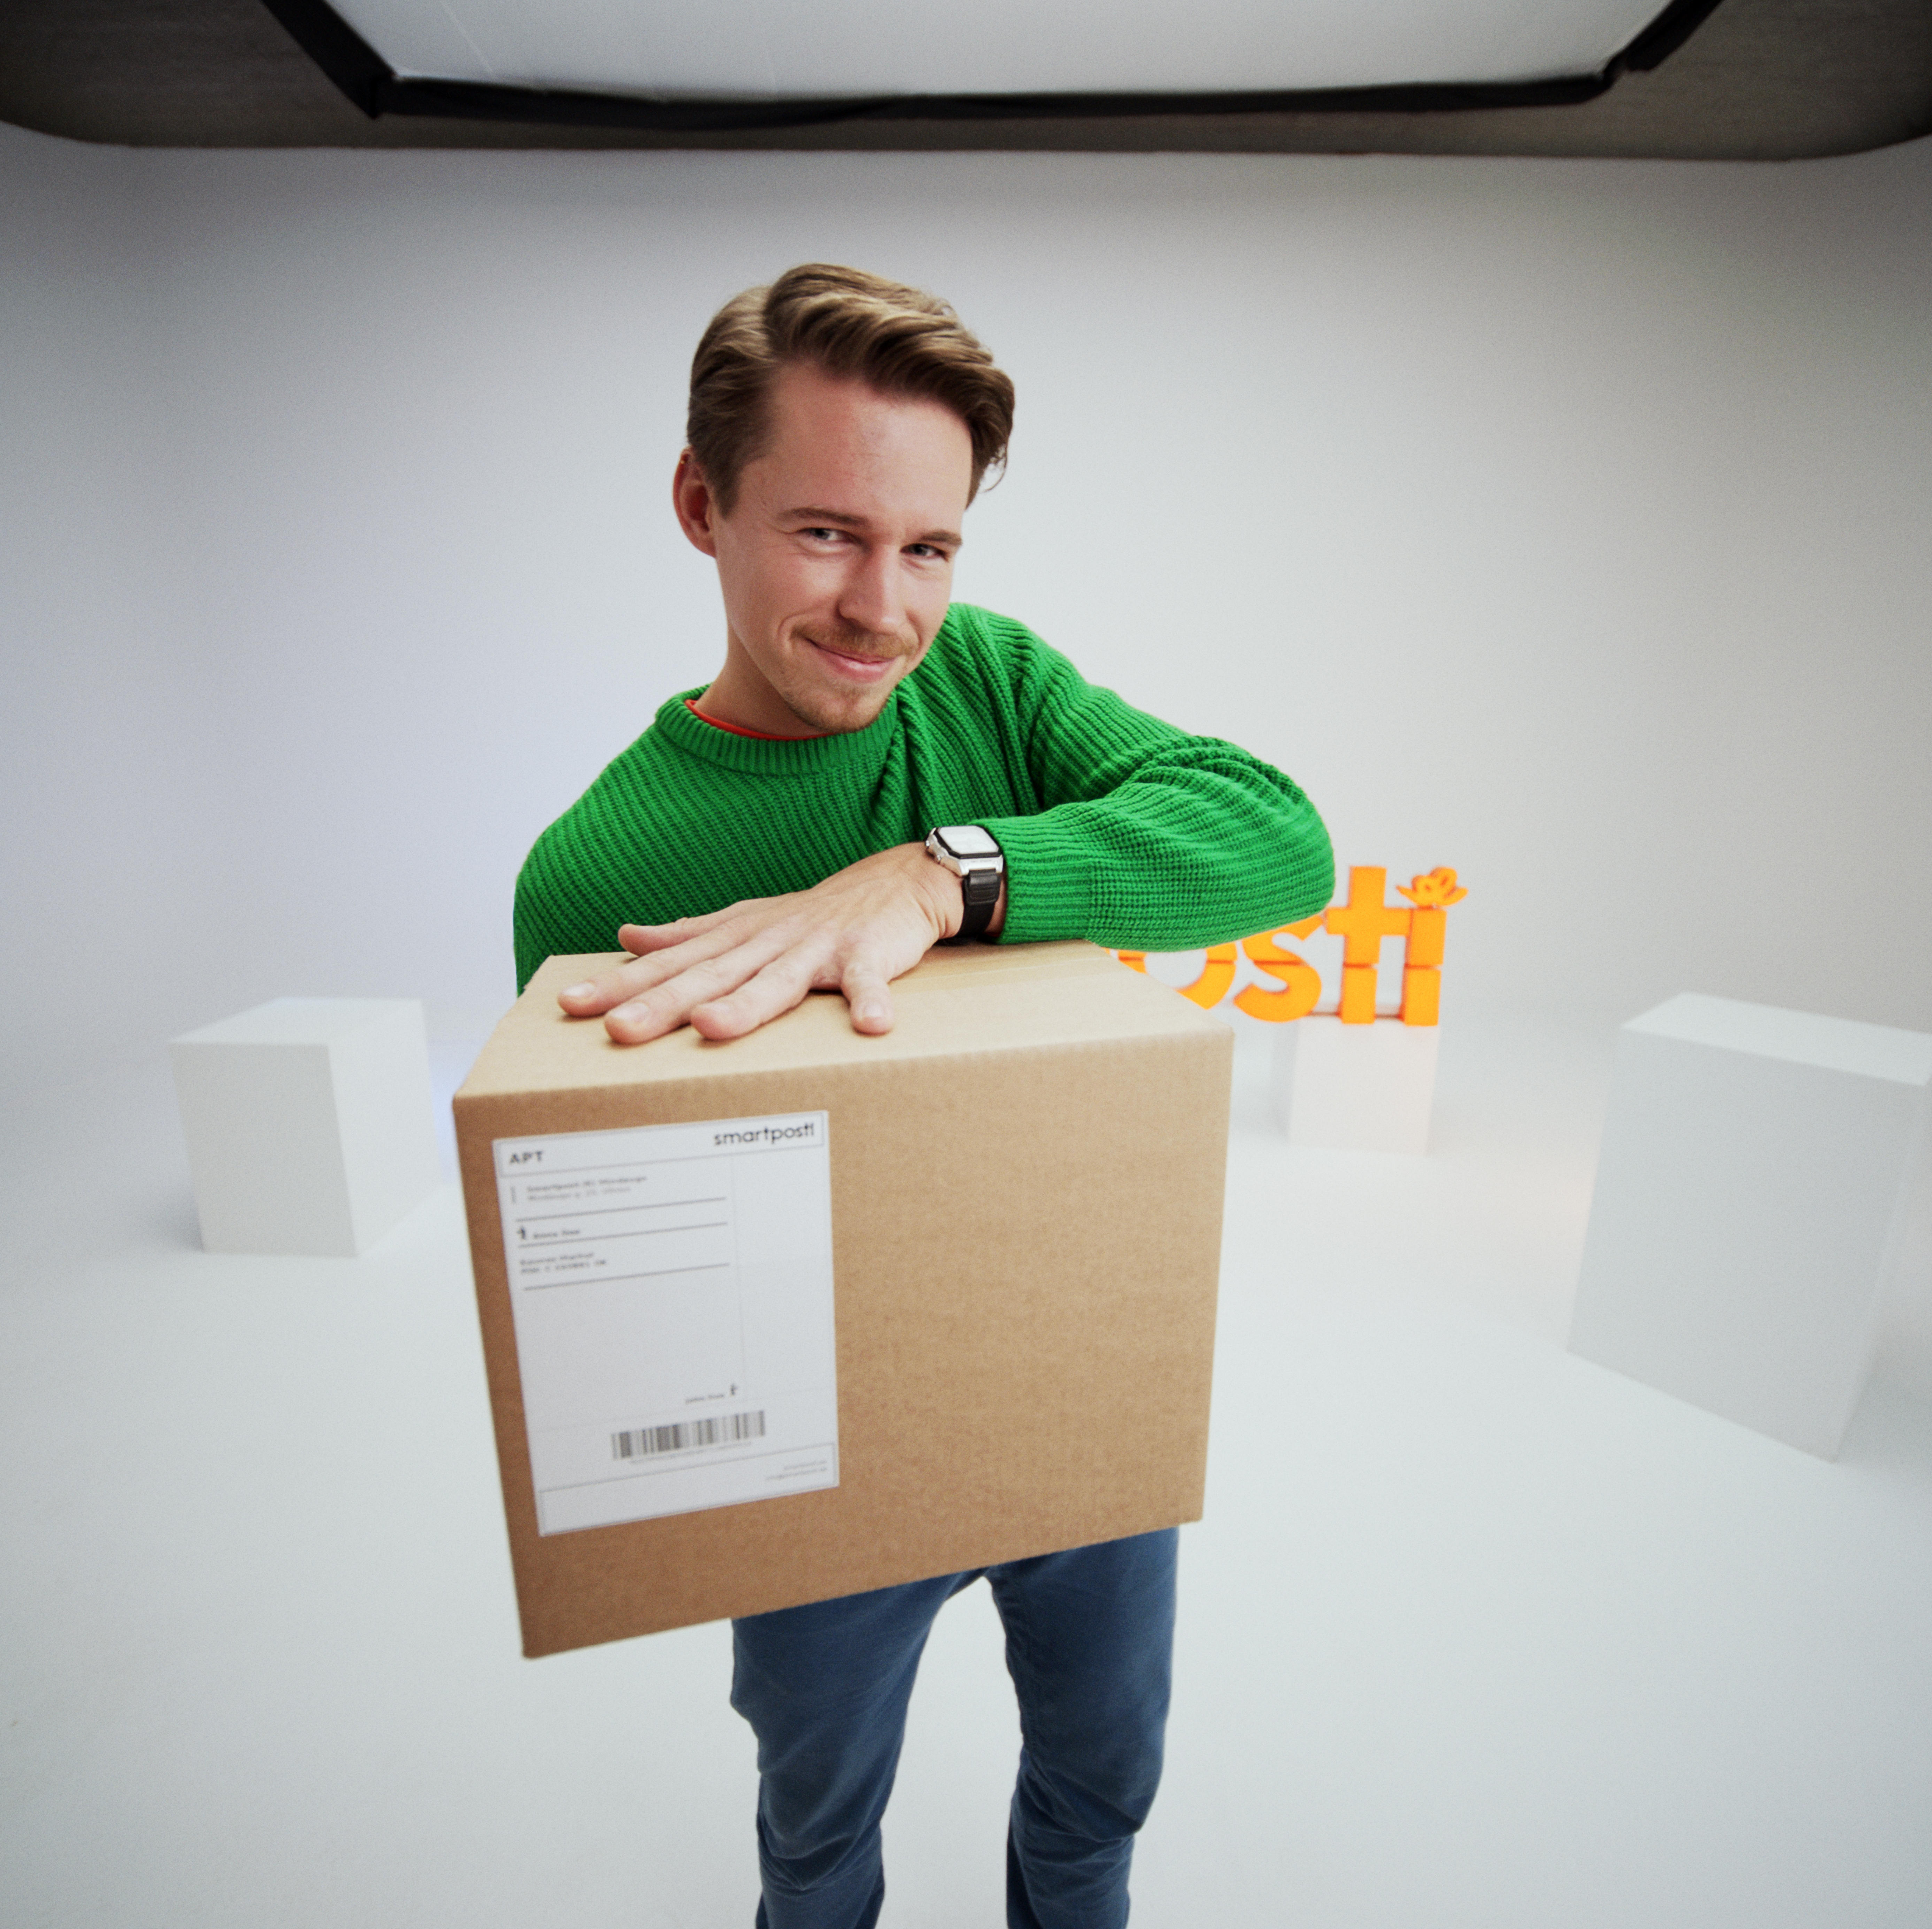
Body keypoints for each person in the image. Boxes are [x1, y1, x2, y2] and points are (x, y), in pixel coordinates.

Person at [512, 263, 1335, 1929]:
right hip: (811, 1471)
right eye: (825, 532)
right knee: (817, 1836)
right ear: (702, 506)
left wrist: (939, 873)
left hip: (1077, 1385)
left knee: (1100, 1792)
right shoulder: (593, 875)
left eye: (931, 547)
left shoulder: (989, 687)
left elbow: (1279, 838)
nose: (883, 608)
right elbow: (600, 1254)